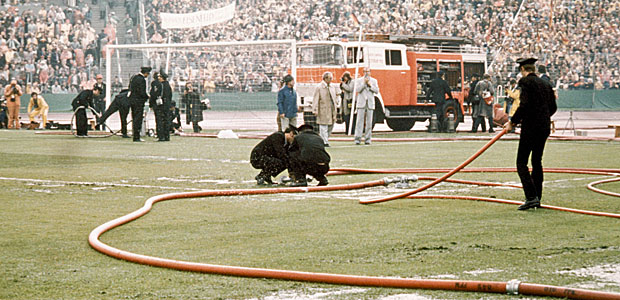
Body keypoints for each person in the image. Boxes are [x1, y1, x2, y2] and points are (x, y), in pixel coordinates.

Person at [504, 58, 557, 211]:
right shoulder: (546, 84)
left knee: (521, 162)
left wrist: (512, 122)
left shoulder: (525, 82)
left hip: (531, 127)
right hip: (544, 127)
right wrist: (543, 116)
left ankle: (530, 197)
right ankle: (537, 197)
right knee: (537, 161)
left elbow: (524, 105)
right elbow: (553, 107)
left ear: (522, 70)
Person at [354, 68, 379, 145]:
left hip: (370, 103)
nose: (366, 73)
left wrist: (369, 85)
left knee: (369, 122)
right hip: (361, 103)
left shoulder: (374, 81)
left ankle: (368, 139)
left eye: (367, 71)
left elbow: (377, 91)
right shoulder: (359, 80)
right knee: (359, 122)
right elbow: (358, 89)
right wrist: (364, 84)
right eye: (365, 71)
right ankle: (357, 139)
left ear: (370, 72)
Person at [312, 71, 338, 146]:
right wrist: (315, 109)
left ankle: (325, 139)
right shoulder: (319, 87)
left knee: (331, 125)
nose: (331, 80)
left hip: (332, 109)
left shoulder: (332, 86)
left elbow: (334, 97)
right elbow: (315, 99)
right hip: (323, 108)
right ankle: (324, 141)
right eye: (330, 78)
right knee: (323, 125)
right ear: (325, 78)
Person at [128, 67, 151, 142]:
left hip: (133, 101)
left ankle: (135, 135)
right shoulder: (142, 80)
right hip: (139, 102)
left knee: (134, 118)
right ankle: (137, 136)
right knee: (138, 119)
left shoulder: (134, 77)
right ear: (146, 73)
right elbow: (142, 92)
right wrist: (147, 97)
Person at [153, 72, 172, 141]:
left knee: (160, 120)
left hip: (161, 106)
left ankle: (161, 136)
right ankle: (166, 136)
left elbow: (156, 94)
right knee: (166, 120)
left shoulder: (161, 85)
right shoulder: (168, 85)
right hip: (166, 105)